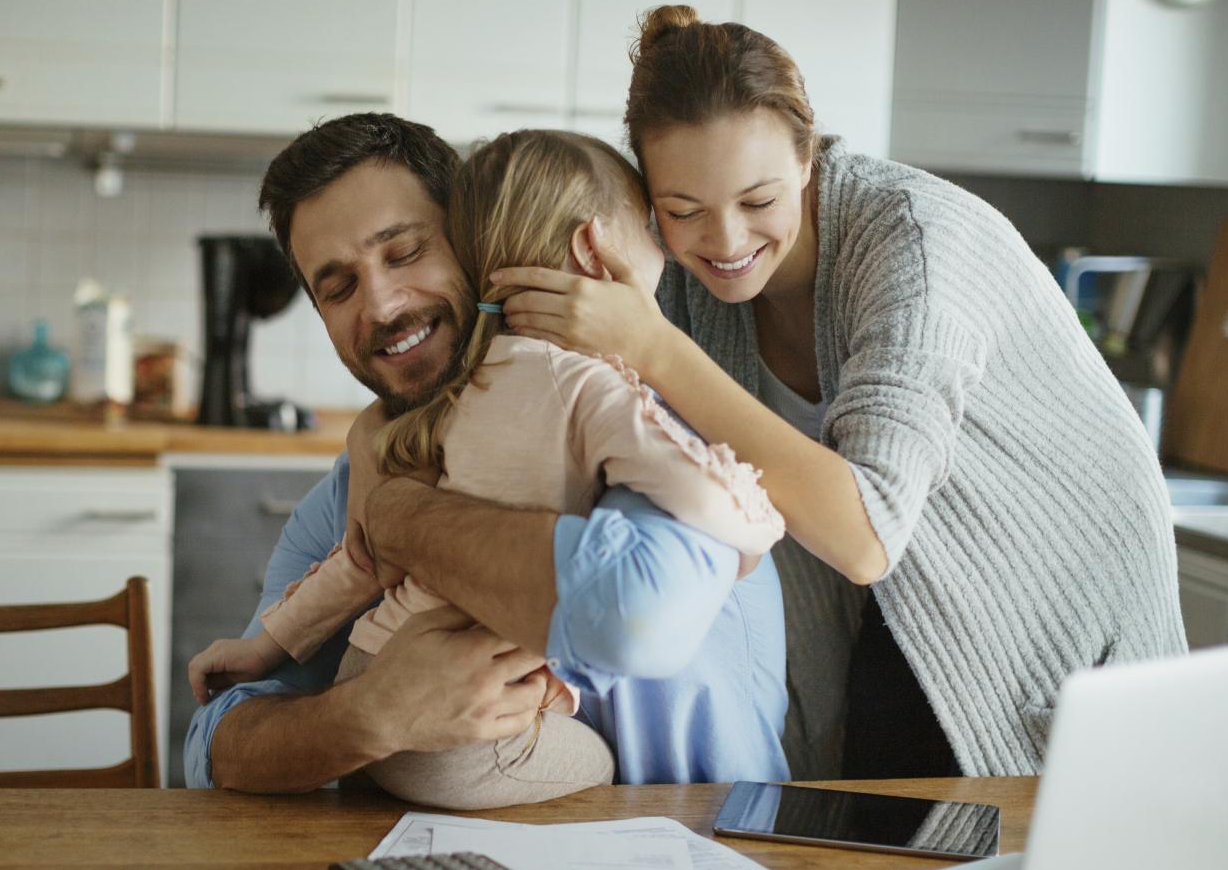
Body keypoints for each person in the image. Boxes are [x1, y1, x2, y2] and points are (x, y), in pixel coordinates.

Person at [488, 6, 1185, 779]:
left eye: (758, 201)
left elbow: (862, 536)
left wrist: (653, 347)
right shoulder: (678, 280)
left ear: (807, 154)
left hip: (1051, 596)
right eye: (684, 211)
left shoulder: (914, 242)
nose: (725, 240)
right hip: (901, 602)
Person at [183, 112, 790, 794]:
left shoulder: (651, 425)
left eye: (404, 251)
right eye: (339, 287)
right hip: (454, 847)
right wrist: (365, 716)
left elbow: (633, 615)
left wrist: (400, 513)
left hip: (705, 842)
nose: (381, 306)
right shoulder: (359, 476)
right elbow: (218, 740)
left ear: (476, 239)